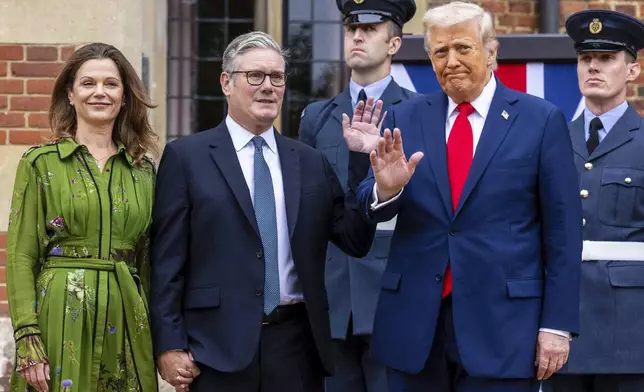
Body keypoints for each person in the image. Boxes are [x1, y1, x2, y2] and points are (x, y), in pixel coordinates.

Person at [348, 1, 584, 391]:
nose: (451, 60)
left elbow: (562, 232)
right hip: (416, 328)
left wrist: (556, 325)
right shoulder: (406, 116)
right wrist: (386, 189)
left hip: (504, 329)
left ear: (491, 52)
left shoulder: (539, 120)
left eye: (463, 48)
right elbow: (366, 200)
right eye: (440, 51)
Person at [149, 31, 377, 392]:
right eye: (255, 76)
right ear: (226, 82)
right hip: (215, 349)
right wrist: (169, 343)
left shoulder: (308, 161)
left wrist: (375, 178)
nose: (268, 86)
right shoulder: (186, 157)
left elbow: (353, 238)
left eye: (277, 77)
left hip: (296, 348)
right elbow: (166, 262)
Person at [6, 43, 159, 392]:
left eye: (111, 84)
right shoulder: (40, 163)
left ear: (124, 98)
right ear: (71, 95)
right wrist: (28, 336)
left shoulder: (143, 171)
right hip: (58, 314)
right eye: (88, 83)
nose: (100, 92)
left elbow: (151, 259)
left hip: (126, 316)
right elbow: (20, 256)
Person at [298, 0, 416, 391]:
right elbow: (309, 203)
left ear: (395, 43)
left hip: (392, 293)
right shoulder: (317, 116)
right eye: (351, 29)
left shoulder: (419, 111)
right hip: (332, 292)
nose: (358, 36)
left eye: (370, 29)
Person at [543, 9, 644, 392]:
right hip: (560, 327)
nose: (594, 67)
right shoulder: (549, 139)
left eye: (606, 59)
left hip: (630, 331)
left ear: (631, 71)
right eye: (586, 59)